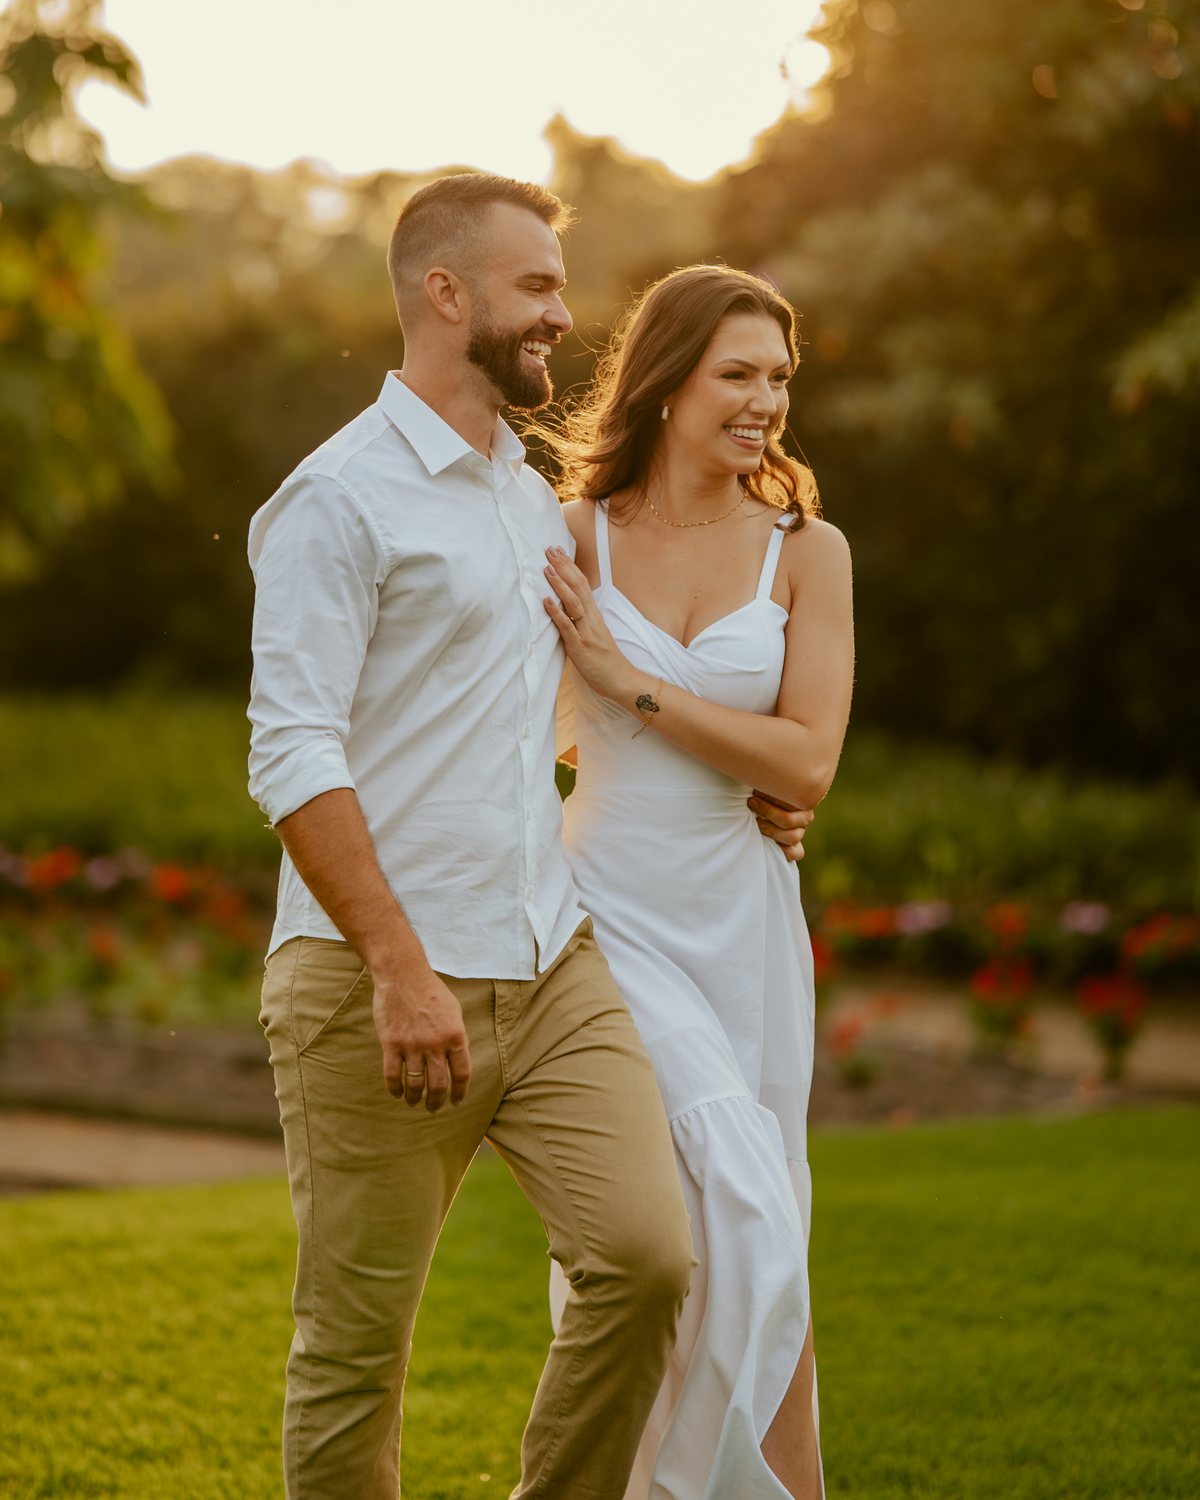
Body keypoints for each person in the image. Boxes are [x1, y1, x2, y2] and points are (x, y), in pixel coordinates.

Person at [247, 174, 726, 1500]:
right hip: (377, 984)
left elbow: (543, 711)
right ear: (445, 294)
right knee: (357, 1353)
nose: (563, 316)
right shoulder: (337, 500)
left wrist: (745, 784)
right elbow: (291, 751)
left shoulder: (525, 495)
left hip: (549, 959)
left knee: (646, 1261)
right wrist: (398, 968)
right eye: (537, 288)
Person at [540, 265, 855, 1500]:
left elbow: (808, 761)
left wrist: (632, 687)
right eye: (738, 374)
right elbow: (511, 726)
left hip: (745, 915)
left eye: (780, 377)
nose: (765, 401)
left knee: (772, 1223)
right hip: (603, 906)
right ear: (668, 383)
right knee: (689, 1216)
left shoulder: (807, 552)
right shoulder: (573, 535)